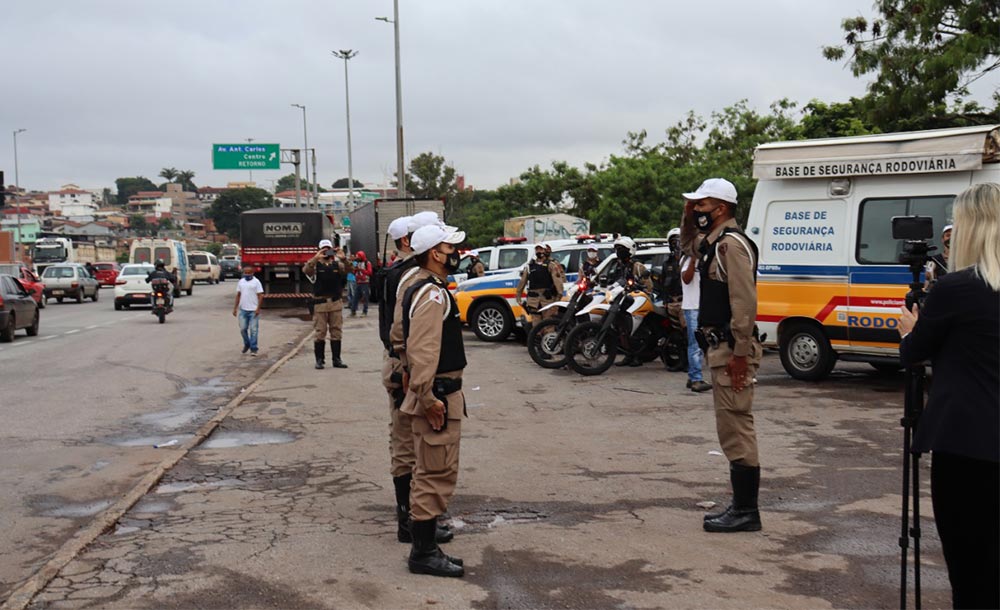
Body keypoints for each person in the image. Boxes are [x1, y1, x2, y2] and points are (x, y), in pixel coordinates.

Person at [898, 183, 999, 610]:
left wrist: (909, 329)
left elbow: (913, 354)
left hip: (967, 448)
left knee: (972, 570)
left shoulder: (956, 289)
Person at [680, 177, 763, 533]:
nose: (697, 210)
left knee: (736, 426)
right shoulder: (714, 244)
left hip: (733, 350)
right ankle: (742, 507)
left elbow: (744, 304)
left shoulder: (732, 247)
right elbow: (686, 245)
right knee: (729, 426)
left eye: (701, 205)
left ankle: (746, 511)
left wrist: (741, 354)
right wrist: (687, 215)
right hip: (721, 348)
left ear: (721, 208)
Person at [398, 223, 468, 578]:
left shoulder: (427, 287)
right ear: (433, 253)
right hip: (437, 396)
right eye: (449, 247)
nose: (455, 252)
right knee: (434, 473)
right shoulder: (432, 294)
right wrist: (427, 398)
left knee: (432, 470)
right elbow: (422, 351)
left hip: (437, 392)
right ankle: (423, 553)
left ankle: (426, 548)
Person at [303, 239, 349, 369]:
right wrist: (315, 258)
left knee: (336, 332)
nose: (326, 252)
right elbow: (306, 270)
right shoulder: (316, 266)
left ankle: (336, 359)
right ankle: (319, 360)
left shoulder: (337, 265)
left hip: (335, 303)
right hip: (320, 304)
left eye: (328, 249)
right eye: (324, 249)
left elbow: (349, 270)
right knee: (320, 332)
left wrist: (344, 258)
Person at [681, 253, 711, 392]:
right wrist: (693, 260)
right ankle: (696, 379)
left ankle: (693, 376)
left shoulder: (704, 258)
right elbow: (686, 279)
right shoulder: (687, 260)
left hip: (702, 306)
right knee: (695, 344)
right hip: (692, 306)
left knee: (700, 344)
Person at [515, 244, 564, 327]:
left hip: (547, 300)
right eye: (537, 249)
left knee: (548, 324)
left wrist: (557, 300)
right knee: (536, 326)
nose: (539, 251)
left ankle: (548, 339)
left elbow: (558, 283)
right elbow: (522, 281)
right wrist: (518, 296)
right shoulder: (529, 266)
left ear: (545, 251)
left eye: (540, 249)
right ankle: (537, 339)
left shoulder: (551, 265)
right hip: (533, 301)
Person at [232, 263, 264, 356]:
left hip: (253, 310)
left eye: (249, 273)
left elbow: (261, 296)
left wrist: (258, 308)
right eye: (245, 272)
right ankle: (247, 344)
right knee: (243, 329)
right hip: (243, 310)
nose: (247, 274)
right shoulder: (241, 282)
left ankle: (254, 348)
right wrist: (235, 308)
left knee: (254, 330)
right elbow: (238, 295)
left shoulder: (256, 282)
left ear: (253, 273)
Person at [924, 224, 952, 290]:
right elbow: (927, 287)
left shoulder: (966, 260)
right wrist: (929, 278)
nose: (951, 238)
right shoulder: (934, 260)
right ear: (942, 239)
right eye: (948, 235)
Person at [351, 251, 372, 316]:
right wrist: (354, 270)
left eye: (358, 256)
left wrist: (361, 270)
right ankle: (353, 311)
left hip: (365, 282)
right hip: (358, 282)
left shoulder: (367, 263)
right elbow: (354, 272)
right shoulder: (357, 263)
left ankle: (365, 311)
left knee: (365, 297)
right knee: (355, 297)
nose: (357, 258)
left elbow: (370, 272)